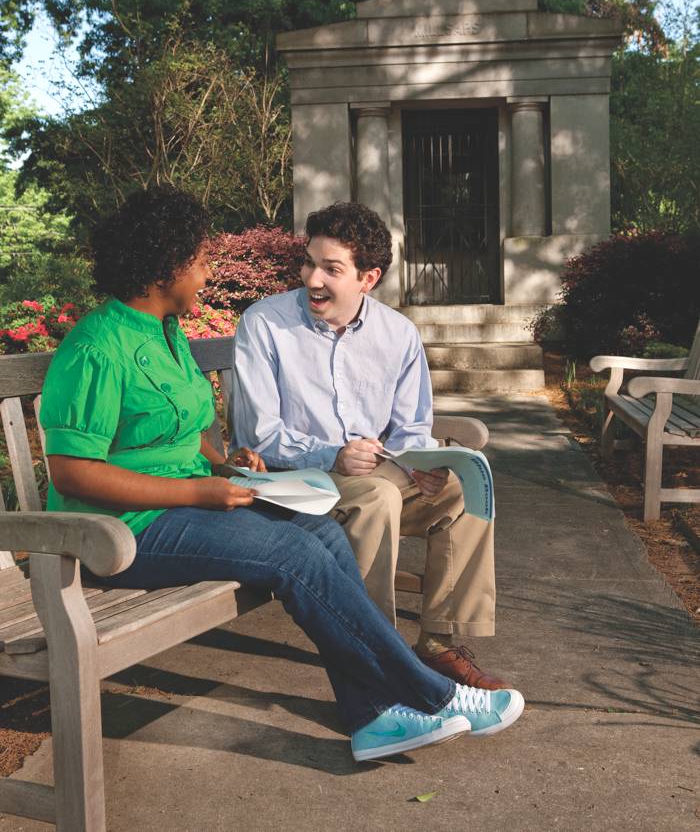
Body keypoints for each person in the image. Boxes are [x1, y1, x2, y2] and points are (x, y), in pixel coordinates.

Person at [40, 187, 524, 764]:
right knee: (292, 553)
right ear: (165, 267)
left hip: (180, 507)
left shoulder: (166, 333)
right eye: (199, 261)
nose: (206, 272)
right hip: (116, 531)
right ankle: (433, 694)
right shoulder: (97, 347)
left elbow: (189, 426)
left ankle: (370, 718)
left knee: (319, 533)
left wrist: (225, 464)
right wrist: (199, 488)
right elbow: (71, 474)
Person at [232, 201, 510, 690]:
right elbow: (260, 434)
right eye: (309, 262)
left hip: (367, 475)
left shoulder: (398, 334)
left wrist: (421, 466)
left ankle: (438, 642)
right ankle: (376, 654)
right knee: (377, 497)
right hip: (291, 481)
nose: (312, 278)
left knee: (461, 492)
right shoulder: (265, 323)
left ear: (369, 277)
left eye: (330, 269)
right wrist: (332, 455)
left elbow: (410, 428)